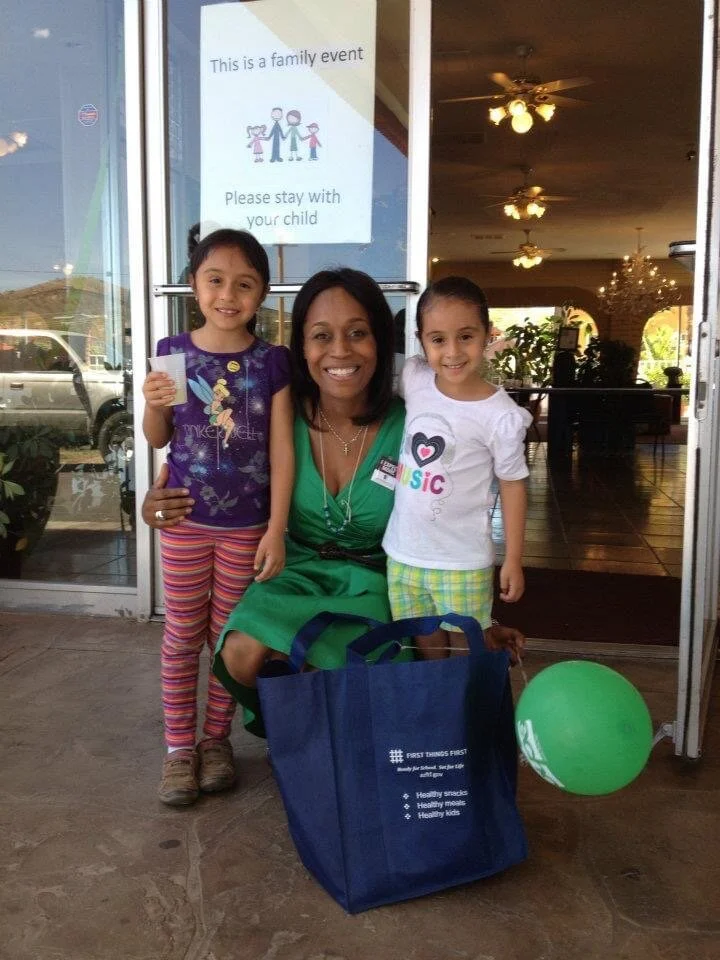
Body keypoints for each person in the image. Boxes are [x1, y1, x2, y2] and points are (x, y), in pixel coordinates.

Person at [142, 268, 525, 739]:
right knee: (243, 652)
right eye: (321, 336)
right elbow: (215, 463)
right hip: (298, 571)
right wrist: (160, 501)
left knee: (354, 664)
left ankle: (333, 737)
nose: (340, 351)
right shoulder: (280, 418)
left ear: (381, 342)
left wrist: (479, 620)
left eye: (358, 333)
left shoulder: (415, 420)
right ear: (302, 347)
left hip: (378, 580)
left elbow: (456, 506)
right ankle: (317, 739)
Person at [142, 228, 294, 806]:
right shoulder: (172, 352)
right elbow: (159, 436)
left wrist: (276, 528)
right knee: (182, 634)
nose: (228, 294)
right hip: (184, 522)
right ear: (193, 284)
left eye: (244, 284)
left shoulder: (272, 361)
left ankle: (215, 741)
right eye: (215, 280)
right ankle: (179, 748)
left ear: (262, 294)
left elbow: (282, 451)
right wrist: (152, 404)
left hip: (247, 529)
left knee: (225, 637)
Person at [382, 276, 531, 659]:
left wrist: (513, 558)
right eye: (438, 339)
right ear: (421, 340)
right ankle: (437, 697)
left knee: (467, 647)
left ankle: (468, 698)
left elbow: (513, 485)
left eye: (465, 336)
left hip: (462, 562)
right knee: (425, 643)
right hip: (403, 554)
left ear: (486, 334)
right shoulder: (415, 378)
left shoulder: (500, 416)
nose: (452, 352)